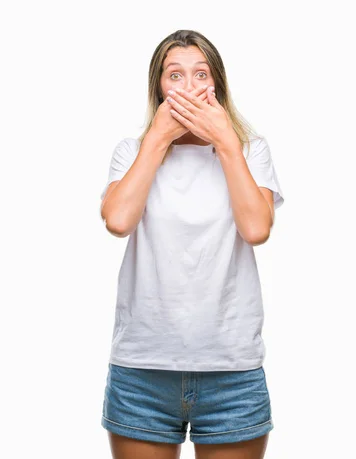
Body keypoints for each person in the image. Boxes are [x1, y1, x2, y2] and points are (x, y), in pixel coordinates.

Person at [99, 29, 285, 459]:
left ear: (216, 85)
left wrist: (224, 141)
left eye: (200, 74)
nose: (188, 86)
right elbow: (119, 221)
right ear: (159, 88)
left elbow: (256, 229)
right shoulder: (131, 151)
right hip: (141, 373)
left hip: (232, 374)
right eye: (175, 75)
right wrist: (158, 139)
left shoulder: (250, 151)